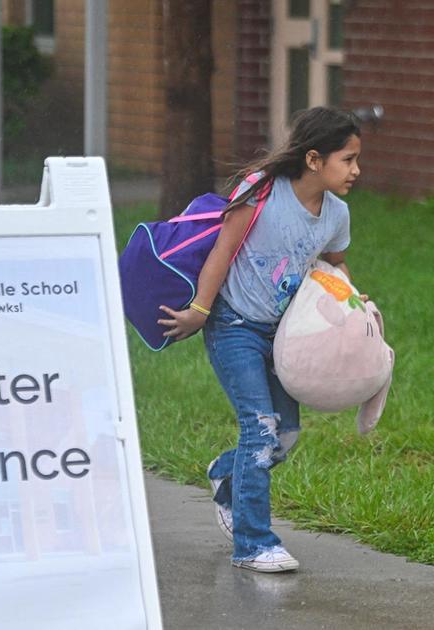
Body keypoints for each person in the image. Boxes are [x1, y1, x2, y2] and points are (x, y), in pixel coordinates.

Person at [158, 107, 362, 573]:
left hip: (282, 334)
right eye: (347, 159)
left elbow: (335, 263)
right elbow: (222, 251)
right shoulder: (262, 192)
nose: (356, 171)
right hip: (233, 324)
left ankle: (226, 473)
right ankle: (252, 543)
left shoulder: (337, 214)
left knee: (286, 436)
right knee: (262, 428)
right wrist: (200, 312)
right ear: (314, 159)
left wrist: (349, 299)